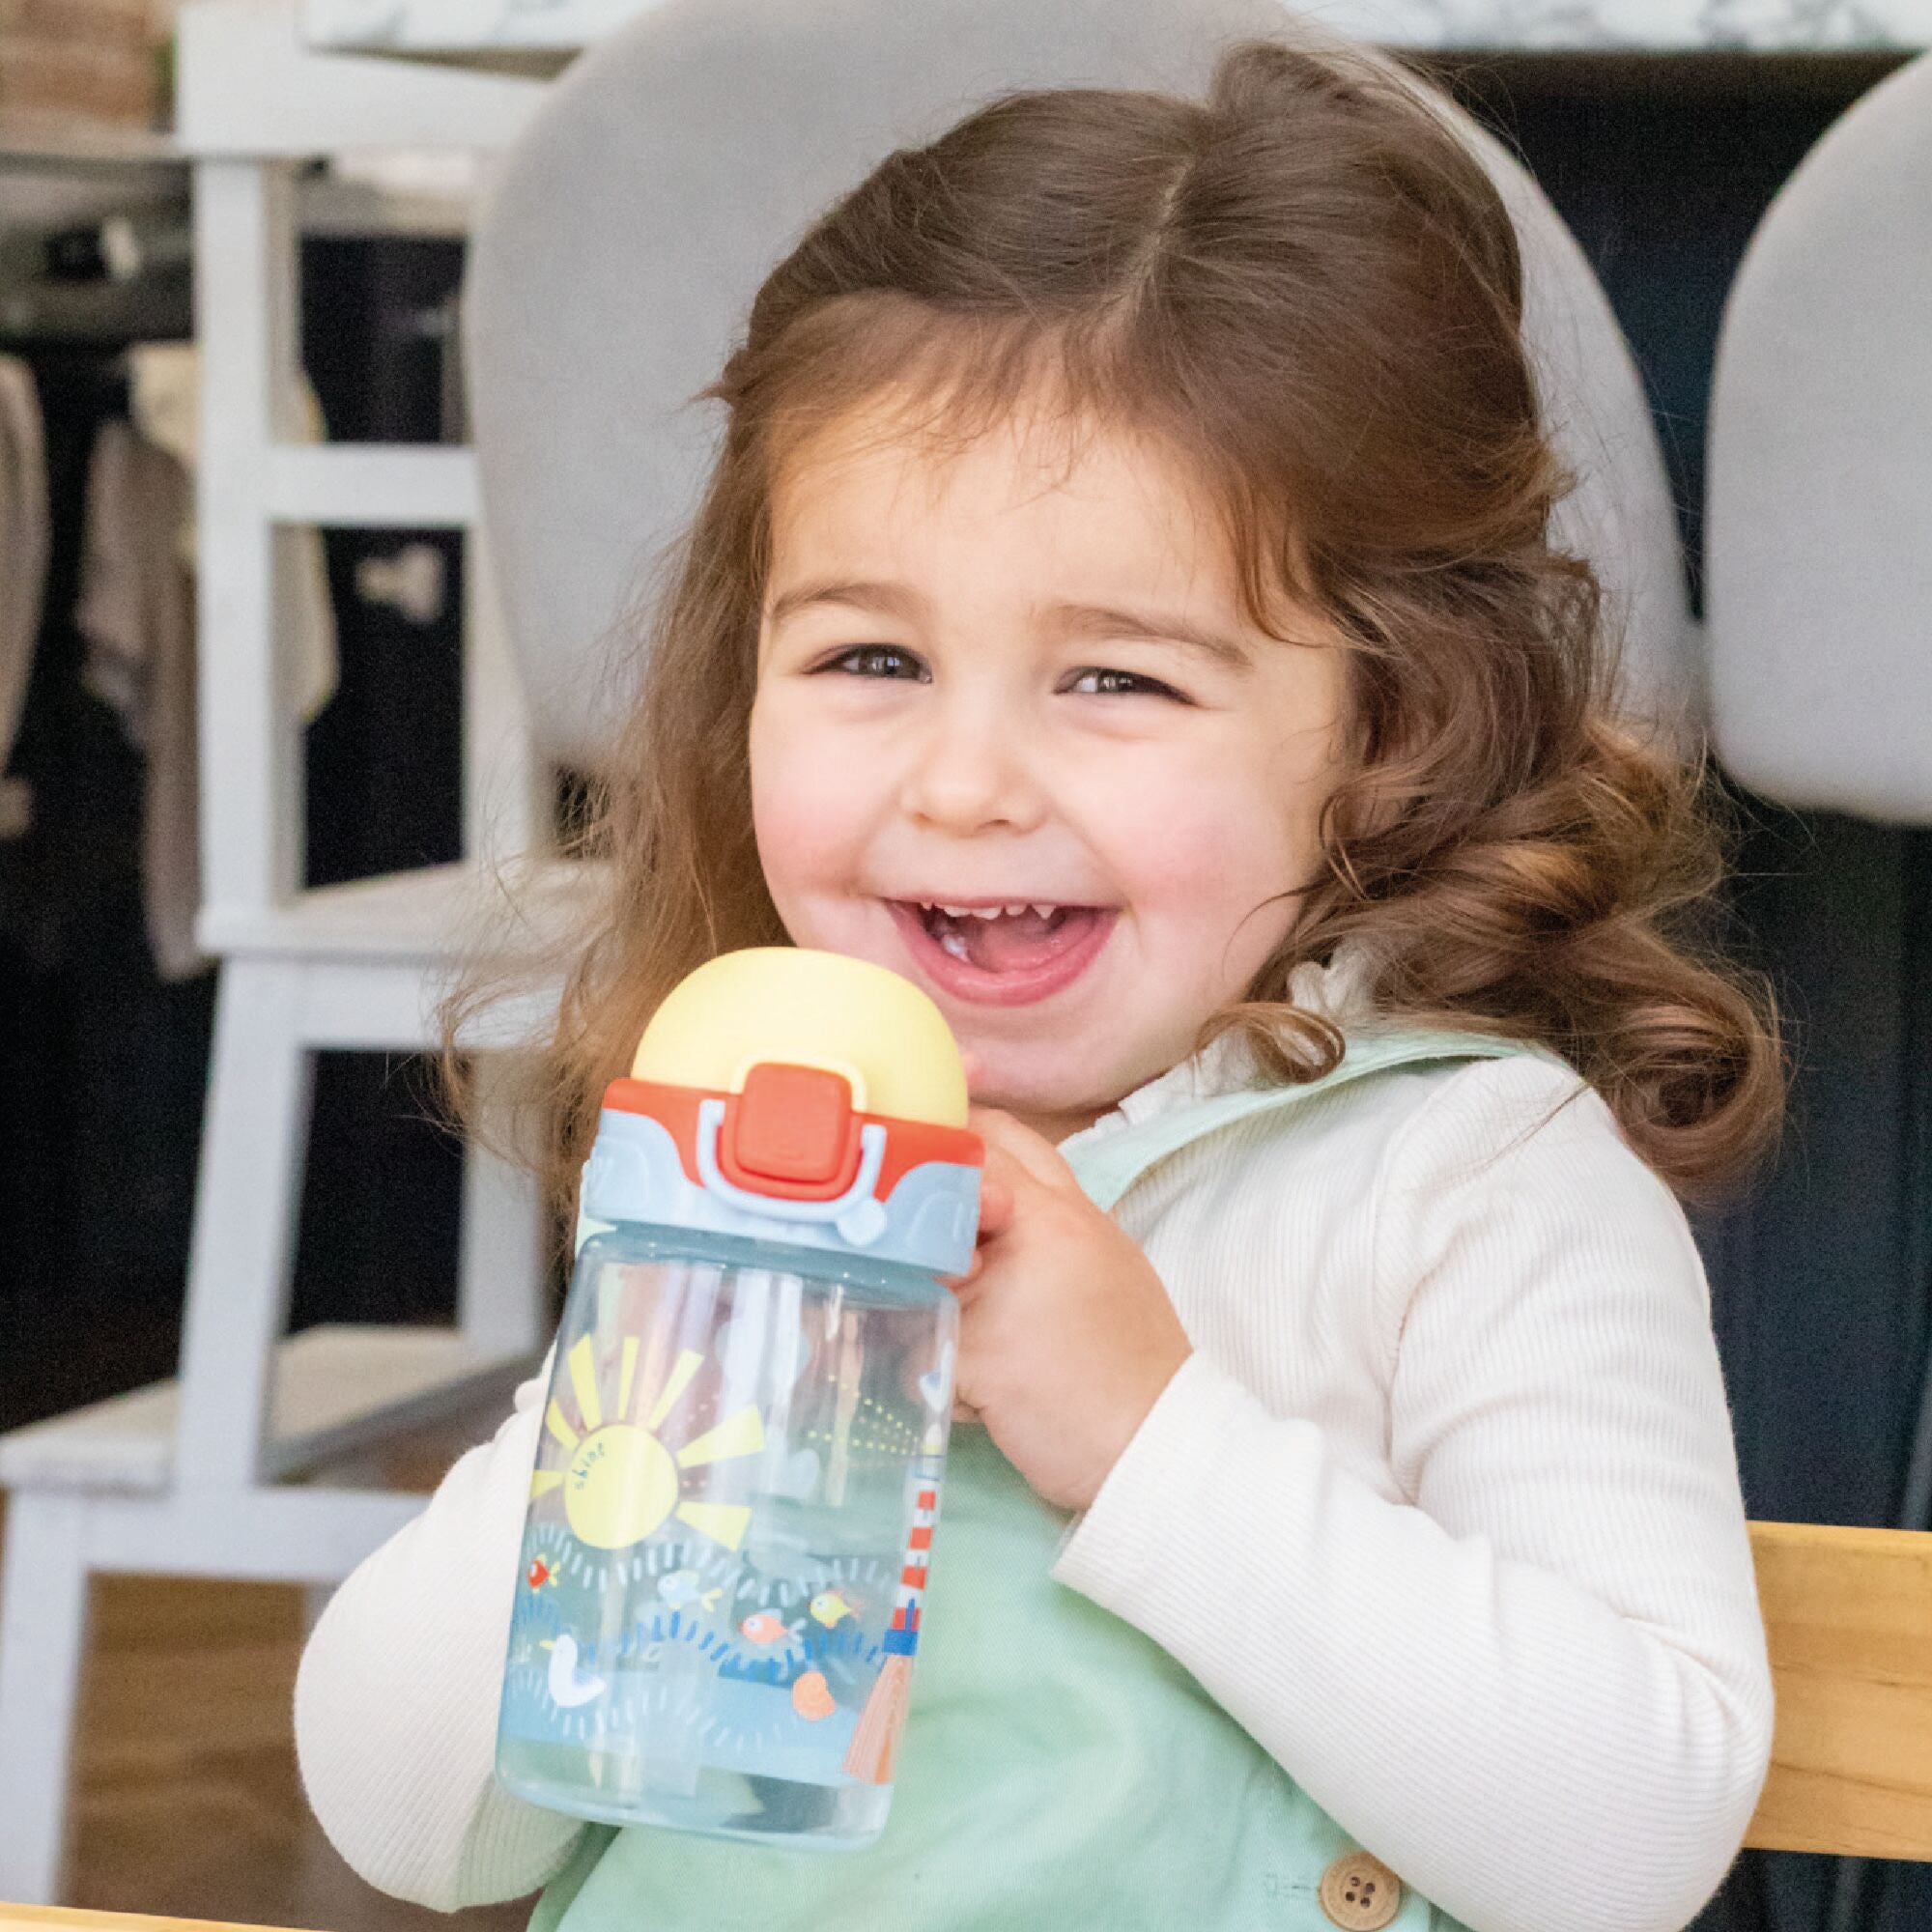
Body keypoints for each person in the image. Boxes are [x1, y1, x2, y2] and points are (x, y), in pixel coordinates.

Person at [294, 34, 1783, 1932]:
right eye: (867, 660)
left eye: (1115, 680)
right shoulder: (744, 1150)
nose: (967, 782)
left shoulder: (1461, 1186)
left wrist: (1153, 1433)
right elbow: (412, 1827)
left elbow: (1626, 1849)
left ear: (1382, 730)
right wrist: (647, 1366)